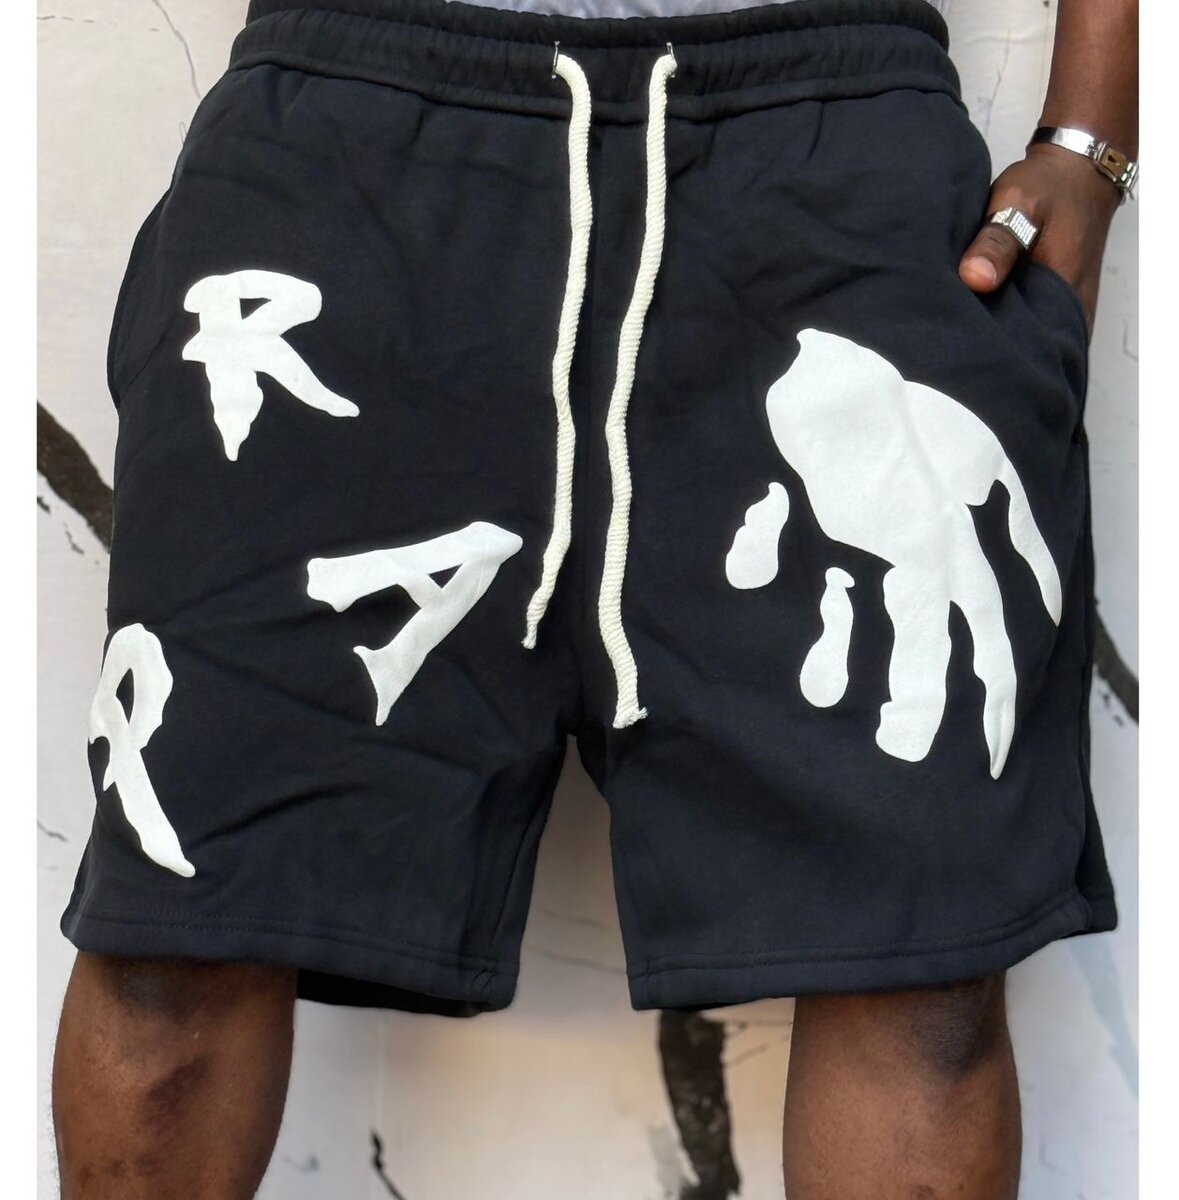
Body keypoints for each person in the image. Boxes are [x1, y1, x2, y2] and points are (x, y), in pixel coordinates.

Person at [51, 0, 1137, 1195]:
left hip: (832, 157)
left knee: (923, 959)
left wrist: (1092, 143)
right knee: (178, 928)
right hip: (350, 142)